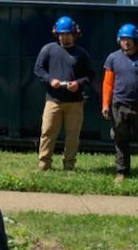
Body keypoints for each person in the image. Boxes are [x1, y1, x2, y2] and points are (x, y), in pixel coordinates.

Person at [33, 16, 95, 172]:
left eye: (67, 34)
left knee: (72, 136)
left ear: (74, 34)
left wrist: (78, 83)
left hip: (75, 102)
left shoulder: (82, 54)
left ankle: (69, 165)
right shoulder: (48, 49)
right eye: (61, 34)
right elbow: (38, 69)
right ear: (56, 34)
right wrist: (49, 80)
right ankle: (44, 163)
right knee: (47, 132)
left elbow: (91, 75)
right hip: (53, 100)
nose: (64, 37)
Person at [102, 23, 138, 189]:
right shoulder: (112, 58)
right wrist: (105, 104)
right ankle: (121, 172)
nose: (126, 42)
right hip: (118, 105)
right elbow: (107, 83)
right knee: (120, 139)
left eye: (129, 39)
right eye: (123, 39)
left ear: (136, 40)